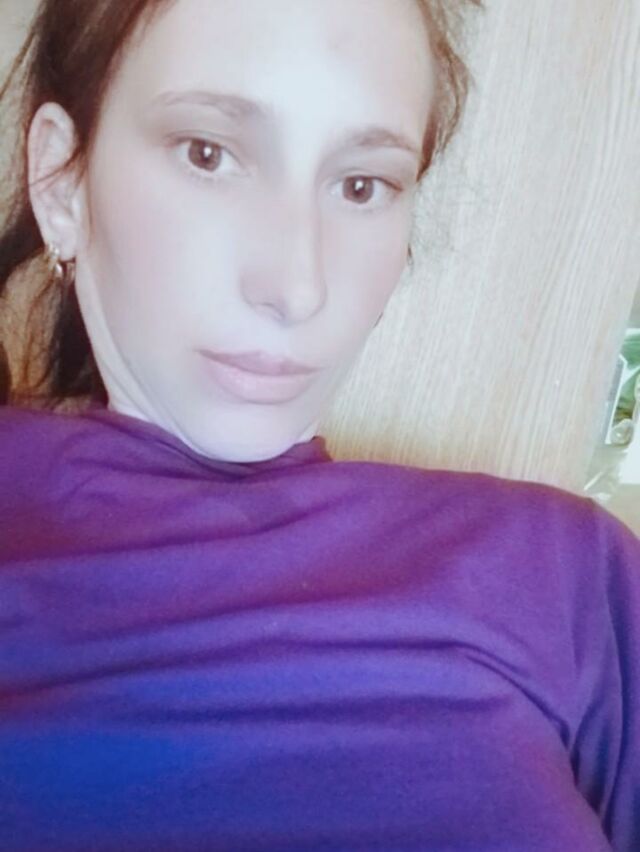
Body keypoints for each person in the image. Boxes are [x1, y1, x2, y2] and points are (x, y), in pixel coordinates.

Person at [0, 1, 638, 850]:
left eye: (362, 185)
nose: (296, 286)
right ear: (61, 182)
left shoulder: (562, 570)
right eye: (208, 153)